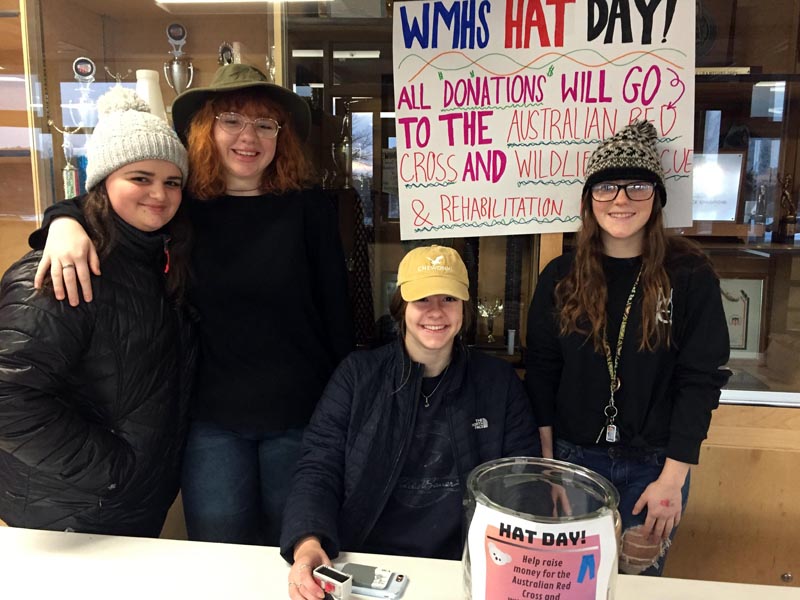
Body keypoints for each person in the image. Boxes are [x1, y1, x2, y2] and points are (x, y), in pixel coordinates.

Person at [28, 64, 354, 546]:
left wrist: (343, 412)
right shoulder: (181, 207)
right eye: (232, 121)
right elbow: (113, 198)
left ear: (280, 137)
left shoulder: (310, 209)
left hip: (301, 415)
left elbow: (337, 315)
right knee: (218, 553)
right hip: (210, 420)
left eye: (265, 124)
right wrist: (61, 221)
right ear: (206, 129)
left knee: (297, 550)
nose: (249, 137)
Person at [524, 121, 731, 576]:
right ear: (589, 200)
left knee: (638, 585)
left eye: (636, 185)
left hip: (655, 470)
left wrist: (671, 481)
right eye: (606, 187)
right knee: (572, 584)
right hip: (574, 462)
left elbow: (700, 381)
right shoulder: (560, 276)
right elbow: (540, 371)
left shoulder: (690, 276)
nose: (620, 200)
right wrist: (549, 468)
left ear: (657, 197)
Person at [281, 245, 540, 599]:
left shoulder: (498, 382)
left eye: (449, 298)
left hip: (464, 566)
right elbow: (318, 465)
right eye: (422, 299)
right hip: (365, 561)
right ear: (401, 307)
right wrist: (308, 541)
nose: (436, 312)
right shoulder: (358, 375)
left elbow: (521, 478)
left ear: (464, 306)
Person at [0, 87, 194, 536]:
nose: (159, 195)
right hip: (70, 513)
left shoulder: (158, 258)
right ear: (103, 181)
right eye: (140, 178)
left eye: (172, 182)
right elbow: (8, 399)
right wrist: (111, 470)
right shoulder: (64, 268)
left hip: (124, 503)